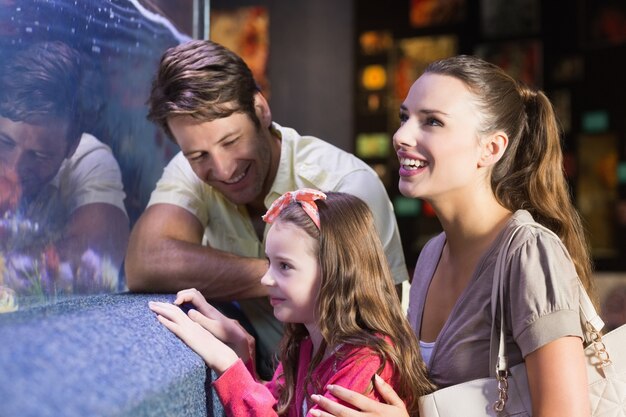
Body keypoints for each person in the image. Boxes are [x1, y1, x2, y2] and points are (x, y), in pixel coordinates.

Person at [310, 54, 595, 417]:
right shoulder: (432, 254)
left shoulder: (529, 251)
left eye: (432, 121)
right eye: (404, 117)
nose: (401, 136)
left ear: (491, 148)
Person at [125, 40, 408, 378]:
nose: (224, 169)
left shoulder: (346, 184)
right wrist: (285, 274)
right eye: (198, 156)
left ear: (260, 110)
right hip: (273, 382)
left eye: (231, 142)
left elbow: (375, 333)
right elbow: (146, 262)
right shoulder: (190, 167)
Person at [148, 190, 434, 416]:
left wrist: (226, 363)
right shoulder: (307, 345)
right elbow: (275, 407)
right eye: (269, 263)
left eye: (285, 266)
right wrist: (240, 345)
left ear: (335, 272)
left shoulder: (367, 361)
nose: (266, 280)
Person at [0, 41, 129, 293]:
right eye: (5, 142)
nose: (14, 170)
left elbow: (96, 254)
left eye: (38, 155)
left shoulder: (90, 158)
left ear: (71, 145)